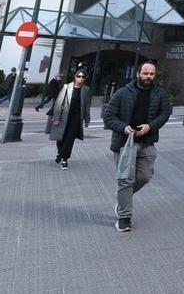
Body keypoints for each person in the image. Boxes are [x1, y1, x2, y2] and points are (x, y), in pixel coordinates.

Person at [101, 62, 172, 233]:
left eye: (152, 74)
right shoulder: (123, 93)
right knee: (125, 179)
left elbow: (164, 114)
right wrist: (123, 127)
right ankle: (124, 217)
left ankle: (123, 198)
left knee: (145, 176)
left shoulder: (160, 93)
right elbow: (108, 116)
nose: (148, 77)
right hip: (125, 143)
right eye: (145, 73)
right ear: (138, 73)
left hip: (147, 142)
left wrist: (150, 126)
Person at [49, 70, 91, 169]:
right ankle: (60, 153)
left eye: (83, 77)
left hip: (76, 117)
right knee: (60, 138)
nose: (80, 78)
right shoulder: (66, 87)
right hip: (64, 116)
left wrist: (87, 119)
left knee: (70, 138)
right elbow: (59, 103)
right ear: (75, 77)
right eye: (79, 76)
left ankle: (64, 159)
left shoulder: (86, 89)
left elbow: (86, 105)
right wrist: (56, 118)